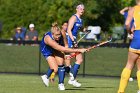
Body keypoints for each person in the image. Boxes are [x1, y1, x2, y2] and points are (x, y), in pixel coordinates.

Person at [40, 22, 87, 90]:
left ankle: (61, 84)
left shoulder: (62, 33)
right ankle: (46, 76)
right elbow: (61, 48)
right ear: (52, 34)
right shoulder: (49, 39)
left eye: (59, 34)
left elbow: (66, 45)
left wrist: (66, 54)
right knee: (55, 69)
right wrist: (79, 50)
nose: (58, 36)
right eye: (56, 35)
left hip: (57, 48)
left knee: (61, 64)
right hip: (47, 51)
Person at [117, 0, 140, 93]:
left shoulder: (133, 9)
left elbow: (127, 24)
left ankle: (121, 91)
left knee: (129, 65)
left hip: (138, 36)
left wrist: (130, 32)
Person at [67, 3, 85, 87]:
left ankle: (72, 78)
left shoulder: (80, 20)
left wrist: (85, 30)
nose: (82, 10)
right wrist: (73, 41)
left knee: (79, 59)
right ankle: (72, 78)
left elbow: (79, 27)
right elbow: (69, 30)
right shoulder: (73, 17)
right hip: (70, 40)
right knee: (78, 58)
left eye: (83, 9)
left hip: (73, 39)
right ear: (76, 9)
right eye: (80, 8)